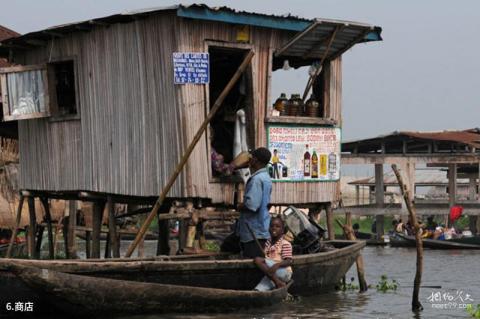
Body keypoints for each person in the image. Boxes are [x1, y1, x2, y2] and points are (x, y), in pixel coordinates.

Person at [236, 147, 273, 258]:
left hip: (254, 232)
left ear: (255, 160)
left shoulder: (256, 180)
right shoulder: (265, 177)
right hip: (262, 228)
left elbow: (252, 206)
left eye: (251, 158)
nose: (249, 160)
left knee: (254, 264)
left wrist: (239, 206)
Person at [254, 217, 293, 291]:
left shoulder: (285, 243)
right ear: (269, 229)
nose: (274, 228)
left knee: (258, 260)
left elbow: (289, 261)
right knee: (257, 291)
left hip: (284, 272)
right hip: (272, 273)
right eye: (272, 226)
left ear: (282, 230)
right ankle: (278, 282)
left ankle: (277, 282)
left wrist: (277, 265)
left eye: (277, 226)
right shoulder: (268, 243)